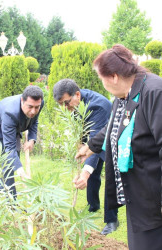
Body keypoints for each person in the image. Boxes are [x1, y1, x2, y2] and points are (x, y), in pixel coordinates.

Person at [75, 44, 162, 250]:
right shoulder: (125, 96)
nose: (101, 84)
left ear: (113, 76)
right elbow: (115, 125)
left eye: (101, 79)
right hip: (143, 199)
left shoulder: (156, 93)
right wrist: (91, 147)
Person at [53, 79, 119, 235]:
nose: (65, 108)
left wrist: (85, 172)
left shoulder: (99, 107)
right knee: (93, 174)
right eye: (61, 105)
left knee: (109, 177)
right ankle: (93, 205)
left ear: (77, 94)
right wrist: (79, 144)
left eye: (66, 103)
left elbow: (95, 141)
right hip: (94, 140)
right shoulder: (74, 103)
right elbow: (82, 130)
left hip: (110, 141)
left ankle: (111, 220)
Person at [0, 85, 44, 197]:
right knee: (8, 162)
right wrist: (21, 172)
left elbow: (34, 121)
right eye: (30, 107)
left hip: (14, 126)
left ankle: (4, 192)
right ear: (22, 100)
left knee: (14, 158)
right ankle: (10, 201)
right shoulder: (10, 112)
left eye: (36, 107)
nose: (33, 111)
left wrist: (31, 139)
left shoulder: (39, 103)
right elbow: (10, 149)